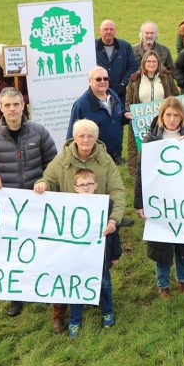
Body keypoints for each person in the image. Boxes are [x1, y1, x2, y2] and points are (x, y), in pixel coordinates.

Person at [0, 87, 57, 318]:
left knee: (40, 247)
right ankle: (16, 297)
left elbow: (54, 164)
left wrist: (44, 180)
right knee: (14, 252)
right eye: (7, 105)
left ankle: (43, 289)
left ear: (23, 106)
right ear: (0, 107)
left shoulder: (39, 132)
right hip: (9, 209)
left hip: (37, 202)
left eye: (16, 104)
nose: (12, 109)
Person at [37, 118, 125, 333]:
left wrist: (114, 219)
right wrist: (42, 184)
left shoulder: (105, 161)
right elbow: (48, 179)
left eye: (90, 136)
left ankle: (100, 303)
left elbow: (118, 191)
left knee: (100, 270)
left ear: (96, 138)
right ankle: (60, 312)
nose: (85, 140)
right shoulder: (61, 160)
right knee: (66, 269)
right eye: (81, 136)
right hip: (70, 229)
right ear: (74, 138)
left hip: (98, 228)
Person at [134, 97, 184, 299]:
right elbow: (141, 172)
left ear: (182, 117)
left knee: (183, 240)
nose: (172, 119)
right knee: (162, 244)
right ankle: (163, 284)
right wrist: (140, 203)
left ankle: (183, 280)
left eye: (176, 115)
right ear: (161, 116)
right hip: (160, 201)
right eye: (168, 115)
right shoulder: (151, 140)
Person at [40, 169, 121, 338]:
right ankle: (75, 321)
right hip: (76, 262)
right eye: (82, 185)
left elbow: (114, 233)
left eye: (89, 184)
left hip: (101, 259)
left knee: (104, 286)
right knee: (76, 289)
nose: (86, 188)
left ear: (96, 185)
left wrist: (115, 254)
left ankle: (108, 313)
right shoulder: (68, 208)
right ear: (75, 187)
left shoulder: (106, 205)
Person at [125, 51, 179, 177]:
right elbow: (128, 102)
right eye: (148, 61)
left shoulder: (166, 77)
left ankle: (165, 171)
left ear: (158, 63)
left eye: (154, 61)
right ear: (143, 63)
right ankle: (138, 175)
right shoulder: (135, 79)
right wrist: (128, 113)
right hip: (141, 121)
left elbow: (176, 96)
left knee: (161, 145)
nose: (151, 64)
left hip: (163, 121)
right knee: (139, 148)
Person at [67, 66, 128, 163]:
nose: (103, 81)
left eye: (106, 78)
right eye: (98, 79)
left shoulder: (112, 94)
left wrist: (126, 116)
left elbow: (117, 118)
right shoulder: (81, 105)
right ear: (90, 81)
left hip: (116, 158)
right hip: (95, 160)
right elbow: (71, 136)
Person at [0, 44, 30, 127]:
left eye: (8, 55)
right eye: (3, 56)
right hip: (1, 119)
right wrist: (8, 100)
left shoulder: (21, 74)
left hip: (21, 117)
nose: (7, 58)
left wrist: (19, 100)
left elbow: (29, 95)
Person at [96, 19, 138, 103]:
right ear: (99, 30)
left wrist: (123, 83)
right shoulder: (92, 47)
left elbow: (133, 66)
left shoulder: (125, 46)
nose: (109, 31)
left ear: (115, 31)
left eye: (111, 29)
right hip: (98, 94)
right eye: (105, 29)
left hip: (121, 95)